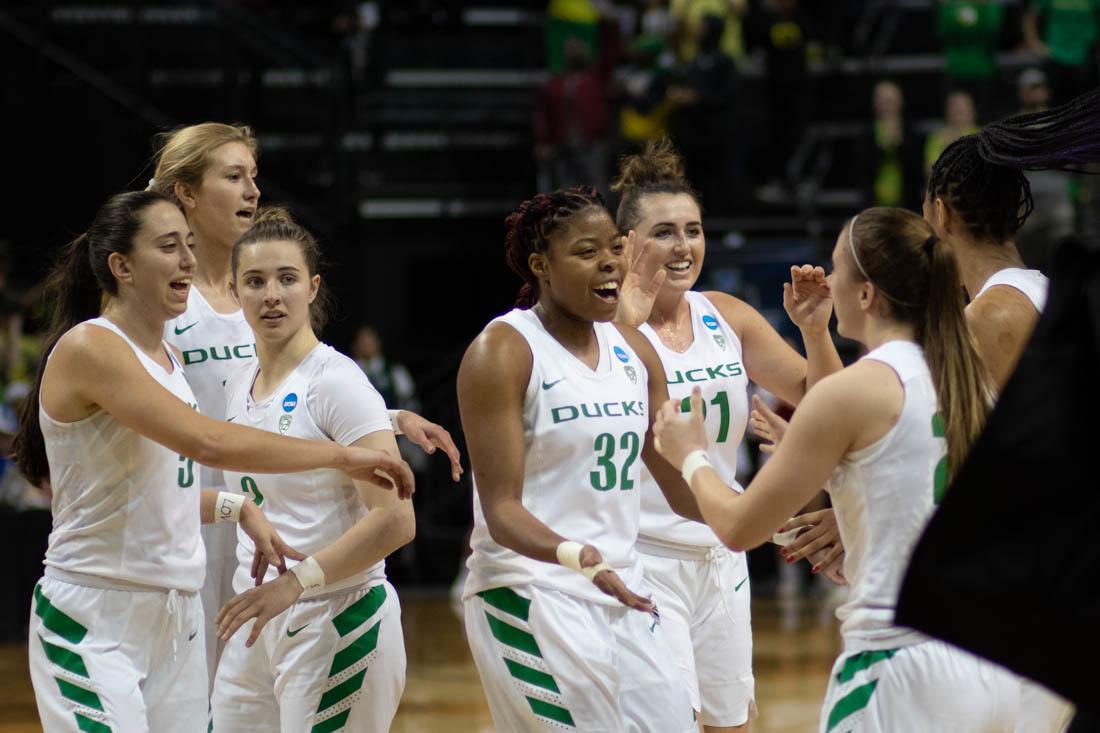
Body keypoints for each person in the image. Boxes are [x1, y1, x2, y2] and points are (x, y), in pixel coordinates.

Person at [13, 191, 412, 733]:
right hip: (97, 611)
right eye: (170, 246)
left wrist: (380, 420)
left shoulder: (170, 360)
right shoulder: (94, 347)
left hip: (180, 616)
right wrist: (347, 453)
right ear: (121, 266)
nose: (189, 261)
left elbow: (169, 480)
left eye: (189, 246)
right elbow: (211, 443)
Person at [653, 206, 1018, 732]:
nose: (827, 280)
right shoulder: (967, 378)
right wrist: (834, 477)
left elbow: (737, 527)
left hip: (898, 665)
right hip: (990, 659)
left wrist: (689, 455)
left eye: (835, 269)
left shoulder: (859, 389)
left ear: (865, 293)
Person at [149, 122, 460, 684]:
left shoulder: (262, 291)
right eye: (234, 176)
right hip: (190, 517)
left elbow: (273, 406)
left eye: (254, 177)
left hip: (261, 520)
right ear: (186, 193)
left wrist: (384, 419)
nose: (252, 191)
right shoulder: (162, 296)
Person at [610, 138, 842, 732]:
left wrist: (815, 332)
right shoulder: (602, 333)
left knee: (731, 726)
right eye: (664, 232)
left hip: (721, 555)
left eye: (693, 229)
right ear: (627, 246)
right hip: (642, 556)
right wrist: (620, 324)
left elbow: (833, 402)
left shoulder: (726, 314)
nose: (683, 246)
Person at [457, 186, 701, 732]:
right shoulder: (503, 350)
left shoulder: (634, 351)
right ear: (541, 265)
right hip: (531, 589)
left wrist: (773, 517)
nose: (609, 263)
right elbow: (501, 509)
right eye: (587, 252)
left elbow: (680, 485)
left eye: (614, 249)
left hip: (622, 587)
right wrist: (579, 557)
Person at [211, 208, 414, 731]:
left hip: (335, 612)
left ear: (313, 287)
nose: (271, 295)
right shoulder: (238, 381)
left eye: (287, 278)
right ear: (234, 291)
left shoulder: (337, 381)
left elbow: (396, 520)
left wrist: (296, 583)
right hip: (256, 614)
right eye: (254, 281)